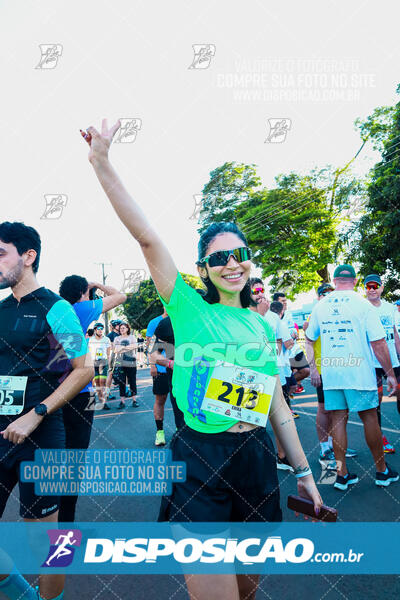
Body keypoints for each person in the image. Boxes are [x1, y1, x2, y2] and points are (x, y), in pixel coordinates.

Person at [81, 119, 322, 600]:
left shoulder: (260, 324)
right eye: (220, 258)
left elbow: (277, 408)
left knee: (248, 587)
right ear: (203, 270)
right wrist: (102, 162)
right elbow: (147, 239)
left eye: (240, 254)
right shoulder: (189, 309)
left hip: (254, 459)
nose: (233, 263)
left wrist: (305, 476)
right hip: (200, 460)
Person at [0, 222, 93, 600]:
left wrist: (37, 411)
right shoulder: (2, 309)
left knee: (47, 546)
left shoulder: (57, 309)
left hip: (42, 435)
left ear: (28, 256)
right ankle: (21, 593)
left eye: (0, 254)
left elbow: (83, 368)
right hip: (1, 432)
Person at [306, 264, 399, 491]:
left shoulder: (321, 306)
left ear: (336, 281)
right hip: (359, 372)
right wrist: (390, 375)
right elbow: (378, 343)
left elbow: (308, 340)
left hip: (332, 372)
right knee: (369, 418)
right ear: (356, 281)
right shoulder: (363, 304)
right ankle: (381, 471)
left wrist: (313, 368)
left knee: (338, 420)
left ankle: (341, 475)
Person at [58, 276, 126, 522]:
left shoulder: (55, 309)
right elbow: (121, 296)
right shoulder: (81, 307)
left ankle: (47, 522)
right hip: (80, 391)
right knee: (74, 461)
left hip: (53, 392)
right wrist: (96, 284)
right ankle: (65, 527)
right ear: (82, 293)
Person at [250, 280, 297, 470]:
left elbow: (280, 342)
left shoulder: (273, 317)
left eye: (262, 290)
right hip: (252, 377)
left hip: (275, 373)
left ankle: (282, 456)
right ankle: (254, 462)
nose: (261, 294)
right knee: (253, 420)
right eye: (256, 290)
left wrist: (275, 355)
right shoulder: (242, 315)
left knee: (280, 416)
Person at [364, 273, 400, 452]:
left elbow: (395, 333)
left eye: (375, 286)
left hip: (393, 360)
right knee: (375, 403)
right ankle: (380, 439)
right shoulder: (361, 308)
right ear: (364, 289)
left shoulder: (389, 307)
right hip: (372, 364)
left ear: (381, 287)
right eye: (368, 286)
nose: (372, 289)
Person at [151, 315, 186, 432]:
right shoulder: (167, 323)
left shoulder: (209, 317)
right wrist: (170, 363)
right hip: (177, 378)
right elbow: (154, 354)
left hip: (205, 378)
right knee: (181, 417)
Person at [273, 291, 310, 394]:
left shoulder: (289, 313)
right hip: (283, 353)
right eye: (282, 301)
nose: (285, 303)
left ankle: (289, 385)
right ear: (276, 302)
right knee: (286, 378)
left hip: (294, 349)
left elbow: (293, 328)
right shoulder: (272, 316)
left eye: (286, 301)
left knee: (306, 371)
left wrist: (294, 333)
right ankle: (286, 392)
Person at [146, 310, 170, 446]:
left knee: (179, 401)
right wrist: (152, 365)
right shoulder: (154, 322)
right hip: (160, 368)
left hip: (178, 368)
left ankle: (180, 429)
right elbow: (150, 345)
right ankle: (159, 432)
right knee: (160, 399)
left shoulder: (181, 317)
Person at [114, 323, 138, 409]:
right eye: (120, 328)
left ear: (127, 329)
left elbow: (135, 346)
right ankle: (122, 402)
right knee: (121, 382)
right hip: (121, 363)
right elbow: (116, 350)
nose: (122, 329)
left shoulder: (132, 337)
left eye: (123, 328)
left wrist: (122, 348)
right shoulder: (117, 338)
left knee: (132, 381)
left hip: (131, 363)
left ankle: (134, 400)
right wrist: (128, 347)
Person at [88, 322, 112, 409]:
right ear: (95, 330)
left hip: (103, 362)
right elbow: (89, 352)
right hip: (94, 363)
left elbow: (109, 353)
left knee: (103, 382)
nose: (101, 330)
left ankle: (104, 401)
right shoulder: (91, 340)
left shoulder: (106, 339)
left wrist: (109, 364)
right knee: (97, 383)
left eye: (102, 329)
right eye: (99, 329)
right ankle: (101, 400)